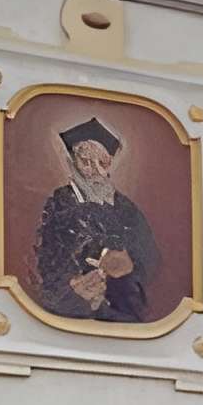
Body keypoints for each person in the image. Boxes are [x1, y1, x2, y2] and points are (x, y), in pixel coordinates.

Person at [32, 117, 163, 322]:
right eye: (85, 162)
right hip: (71, 307)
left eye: (101, 163)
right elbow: (45, 259)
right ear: (72, 163)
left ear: (109, 165)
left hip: (122, 309)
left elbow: (151, 257)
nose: (94, 171)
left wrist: (129, 263)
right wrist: (74, 284)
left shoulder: (126, 208)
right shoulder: (60, 202)